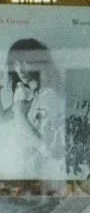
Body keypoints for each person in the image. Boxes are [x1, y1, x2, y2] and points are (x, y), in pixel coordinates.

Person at [0, 38, 66, 180]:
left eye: (25, 62)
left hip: (36, 175)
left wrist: (20, 115)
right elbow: (2, 117)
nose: (20, 69)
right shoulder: (26, 94)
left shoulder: (48, 96)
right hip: (19, 169)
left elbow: (47, 149)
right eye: (16, 63)